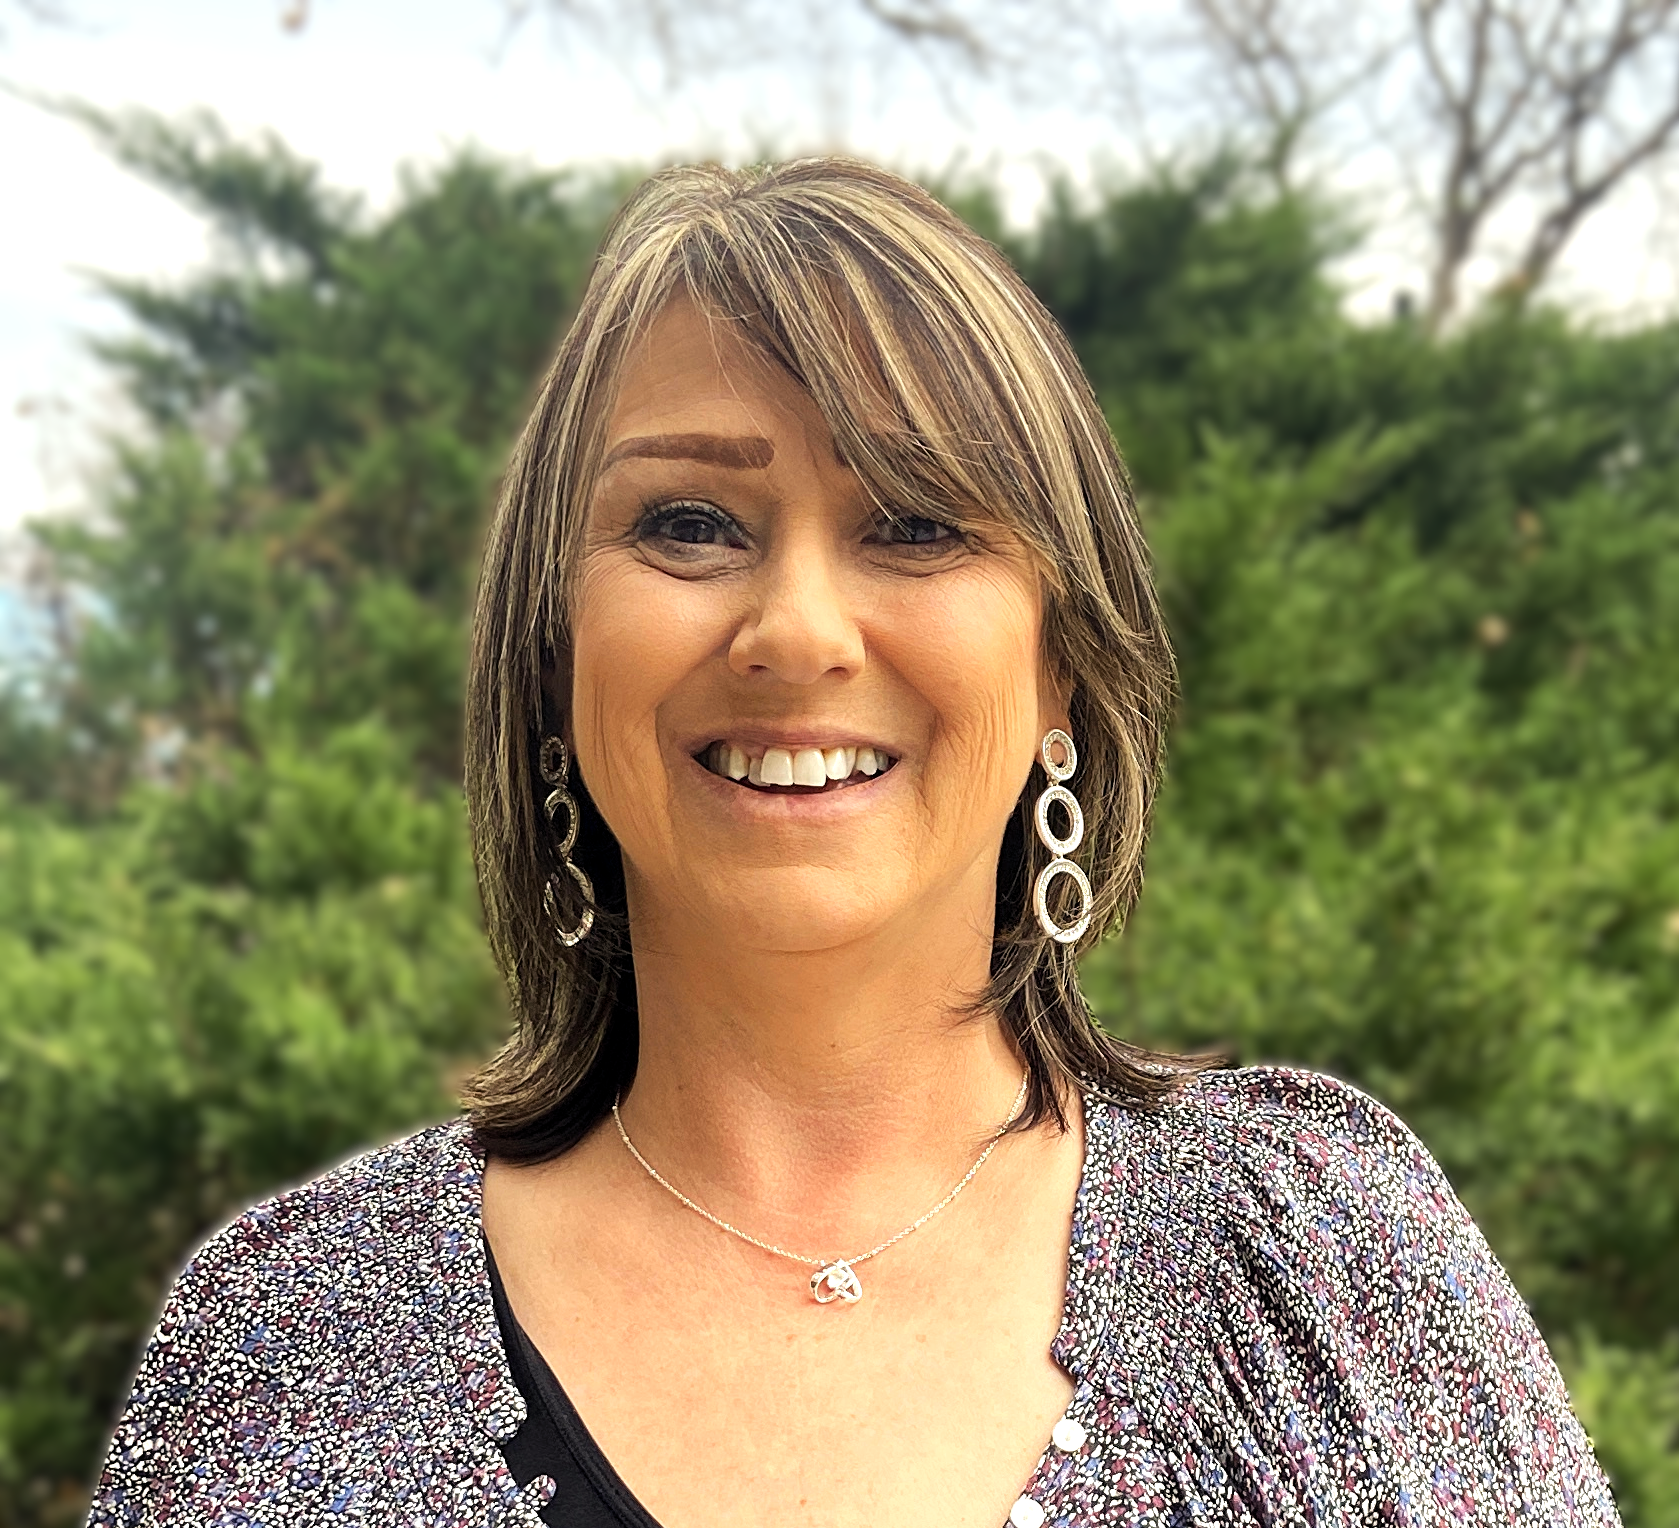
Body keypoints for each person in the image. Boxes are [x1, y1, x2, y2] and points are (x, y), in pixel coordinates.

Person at [86, 158, 1619, 1528]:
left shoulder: (1320, 1264)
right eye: (689, 524)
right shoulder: (289, 1342)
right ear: (557, 652)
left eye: (914, 523)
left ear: (1061, 665)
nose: (796, 630)